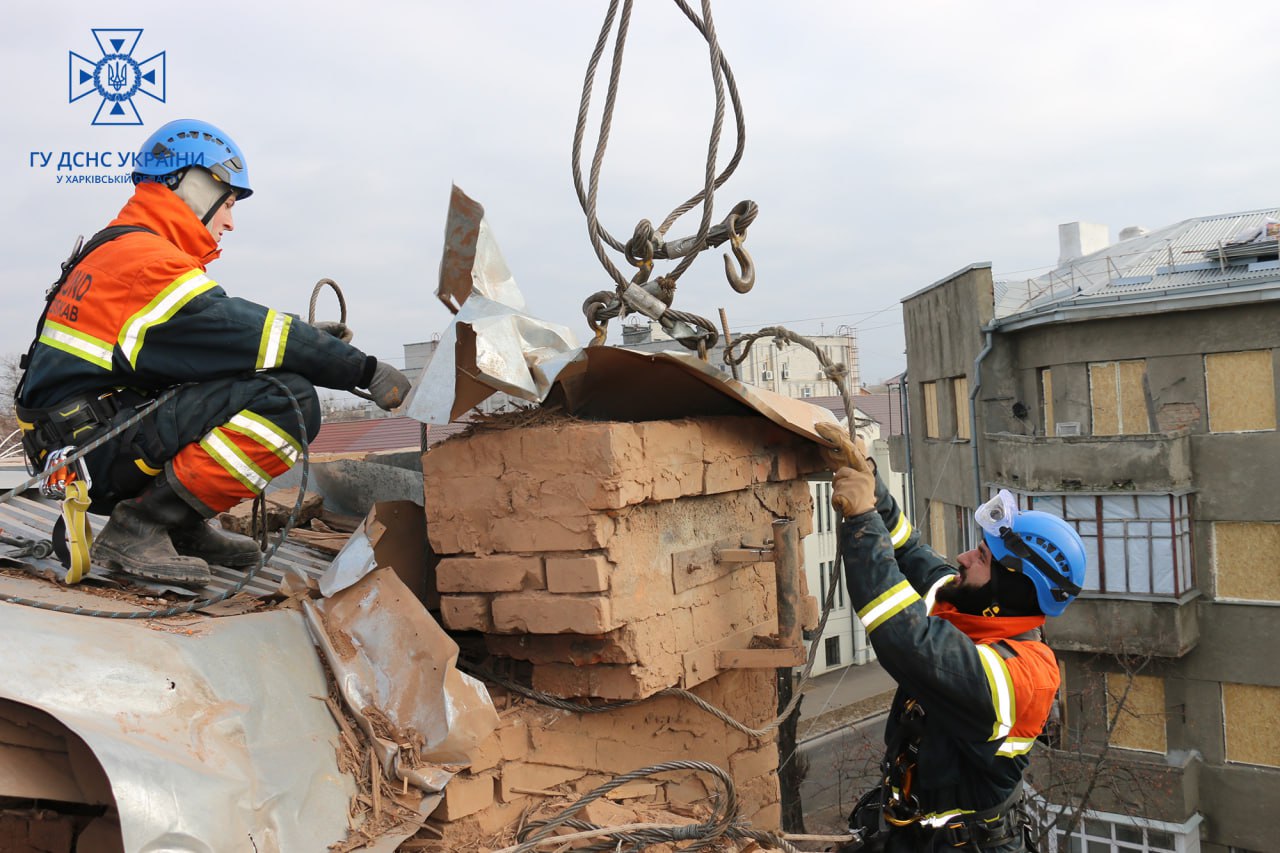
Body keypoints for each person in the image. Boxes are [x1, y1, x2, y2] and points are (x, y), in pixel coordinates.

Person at [15, 118, 411, 589]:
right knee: (288, 399)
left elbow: (213, 343)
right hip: (92, 454)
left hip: (79, 447)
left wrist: (303, 335)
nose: (229, 221)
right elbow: (243, 332)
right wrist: (361, 369)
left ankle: (178, 526)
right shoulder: (146, 262)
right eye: (226, 203)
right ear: (193, 186)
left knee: (255, 380)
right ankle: (142, 525)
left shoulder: (121, 250)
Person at [815, 423, 1085, 852]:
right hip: (917, 835)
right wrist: (868, 477)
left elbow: (905, 638)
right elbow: (908, 553)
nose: (961, 558)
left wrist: (861, 520)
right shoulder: (977, 609)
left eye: (980, 557)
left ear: (1008, 589)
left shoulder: (1022, 676)